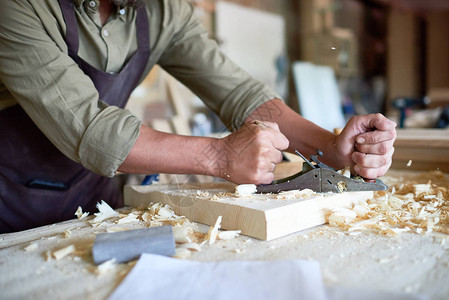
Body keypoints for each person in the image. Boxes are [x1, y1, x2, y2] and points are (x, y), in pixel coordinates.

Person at [0, 0, 396, 233]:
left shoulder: (161, 10)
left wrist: (329, 147)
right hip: (11, 204)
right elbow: (88, 127)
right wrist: (221, 157)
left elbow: (241, 94)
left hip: (94, 197)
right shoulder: (18, 8)